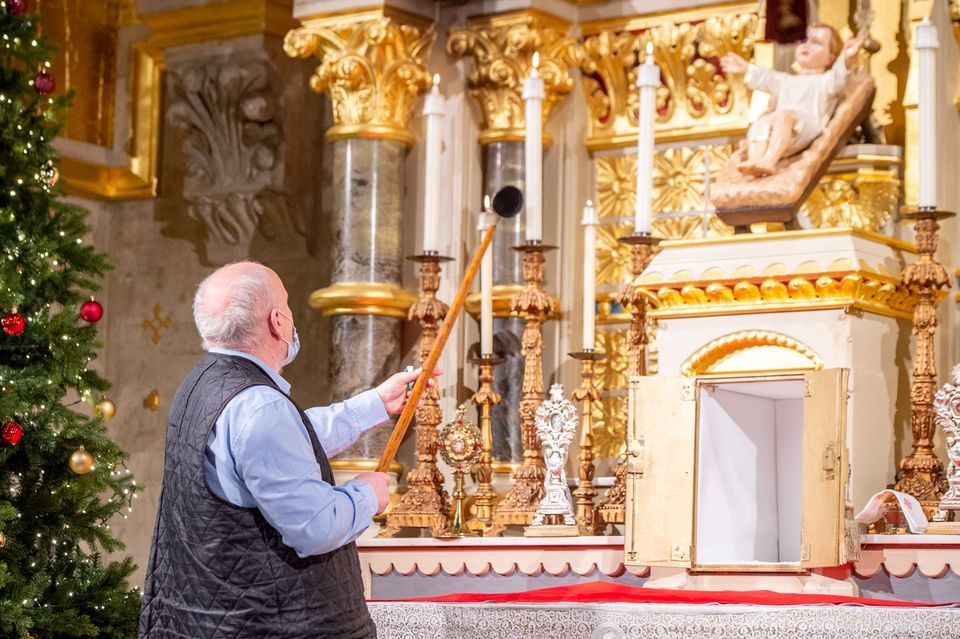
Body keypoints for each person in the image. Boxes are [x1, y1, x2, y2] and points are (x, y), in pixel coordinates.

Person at [139, 261, 429, 639]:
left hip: (205, 618)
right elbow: (314, 528)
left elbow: (280, 449)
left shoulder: (201, 383)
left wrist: (375, 403)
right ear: (277, 321)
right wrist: (367, 495)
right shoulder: (260, 405)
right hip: (269, 624)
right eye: (288, 306)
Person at [720, 24, 864, 176]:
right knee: (761, 122)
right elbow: (766, 77)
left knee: (784, 116)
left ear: (830, 57)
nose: (807, 45)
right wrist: (746, 68)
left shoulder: (825, 81)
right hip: (780, 127)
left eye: (816, 42)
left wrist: (847, 56)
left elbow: (839, 75)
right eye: (803, 40)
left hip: (805, 126)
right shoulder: (786, 81)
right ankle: (755, 159)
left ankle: (769, 160)